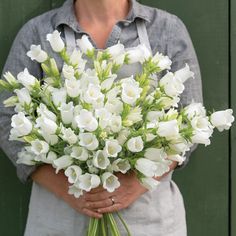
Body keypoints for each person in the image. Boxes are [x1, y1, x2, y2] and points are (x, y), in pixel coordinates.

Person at [0, 0, 203, 235]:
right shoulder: (39, 31)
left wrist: (135, 185)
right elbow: (7, 120)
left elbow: (190, 120)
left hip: (148, 220)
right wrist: (68, 190)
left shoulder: (167, 28)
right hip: (61, 219)